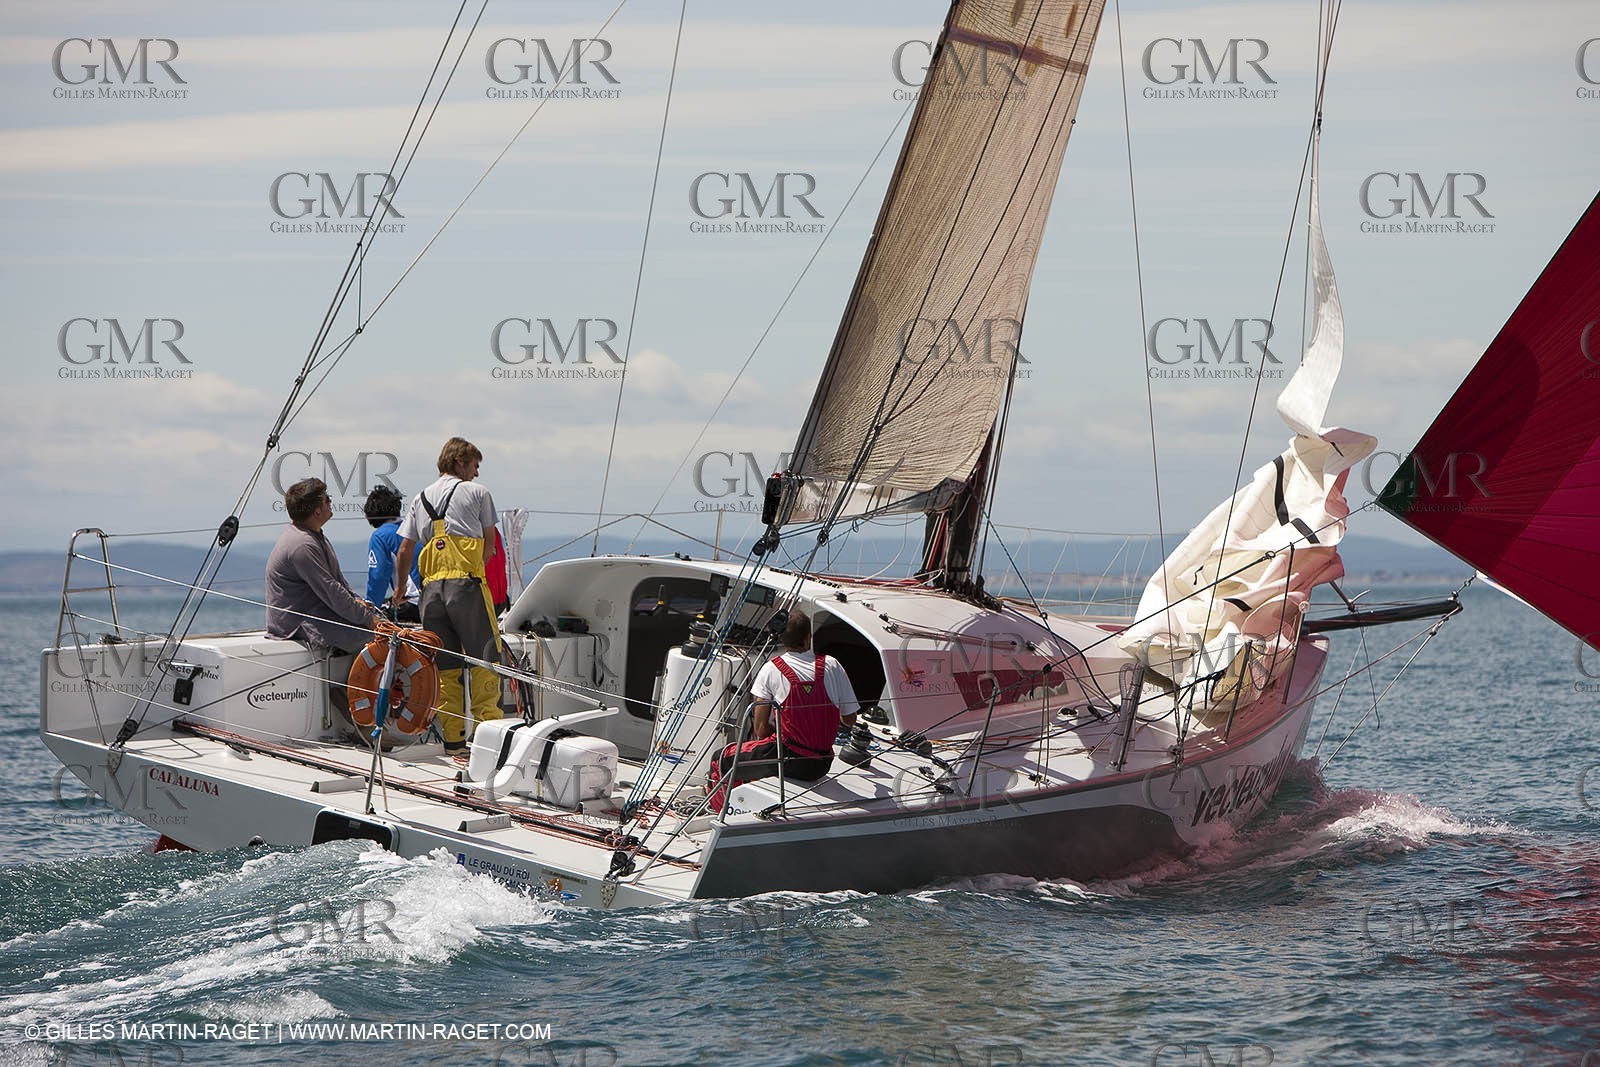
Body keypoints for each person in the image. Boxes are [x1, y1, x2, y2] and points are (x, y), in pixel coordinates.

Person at [393, 438, 502, 753]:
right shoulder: (478, 493)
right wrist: (471, 572)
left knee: (445, 666)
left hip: (431, 592)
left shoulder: (419, 498)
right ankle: (486, 742)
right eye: (474, 465)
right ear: (460, 462)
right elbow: (490, 545)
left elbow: (404, 549)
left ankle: (454, 741)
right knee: (485, 661)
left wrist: (400, 588)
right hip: (466, 585)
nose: (476, 473)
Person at [707, 609, 859, 812]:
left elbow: (761, 730)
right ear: (808, 638)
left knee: (721, 758)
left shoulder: (771, 669)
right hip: (822, 763)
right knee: (759, 754)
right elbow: (849, 719)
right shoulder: (833, 665)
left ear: (782, 639)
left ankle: (722, 812)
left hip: (790, 760)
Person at [265, 478, 379, 654]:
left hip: (317, 613)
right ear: (317, 512)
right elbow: (331, 590)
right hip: (296, 625)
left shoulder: (315, 537)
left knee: (385, 632)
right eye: (327, 499)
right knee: (381, 640)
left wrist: (357, 601)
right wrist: (370, 620)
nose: (331, 502)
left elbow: (337, 582)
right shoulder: (302, 545)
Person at [363, 485, 422, 623]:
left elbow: (378, 576)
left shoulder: (381, 536)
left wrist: (370, 610)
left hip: (411, 603)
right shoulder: (413, 529)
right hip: (430, 600)